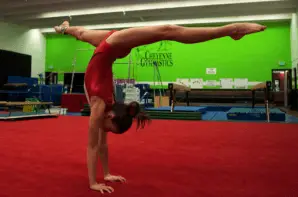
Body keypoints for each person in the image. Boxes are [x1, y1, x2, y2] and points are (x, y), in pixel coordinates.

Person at [54, 20, 266, 193]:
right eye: (109, 129)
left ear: (110, 116)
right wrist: (104, 175)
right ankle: (64, 28)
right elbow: (100, 145)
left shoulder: (99, 108)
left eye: (109, 129)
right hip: (109, 49)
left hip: (111, 45)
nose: (105, 130)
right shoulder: (107, 108)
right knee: (80, 32)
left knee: (168, 31)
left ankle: (231, 30)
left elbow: (94, 146)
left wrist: (95, 181)